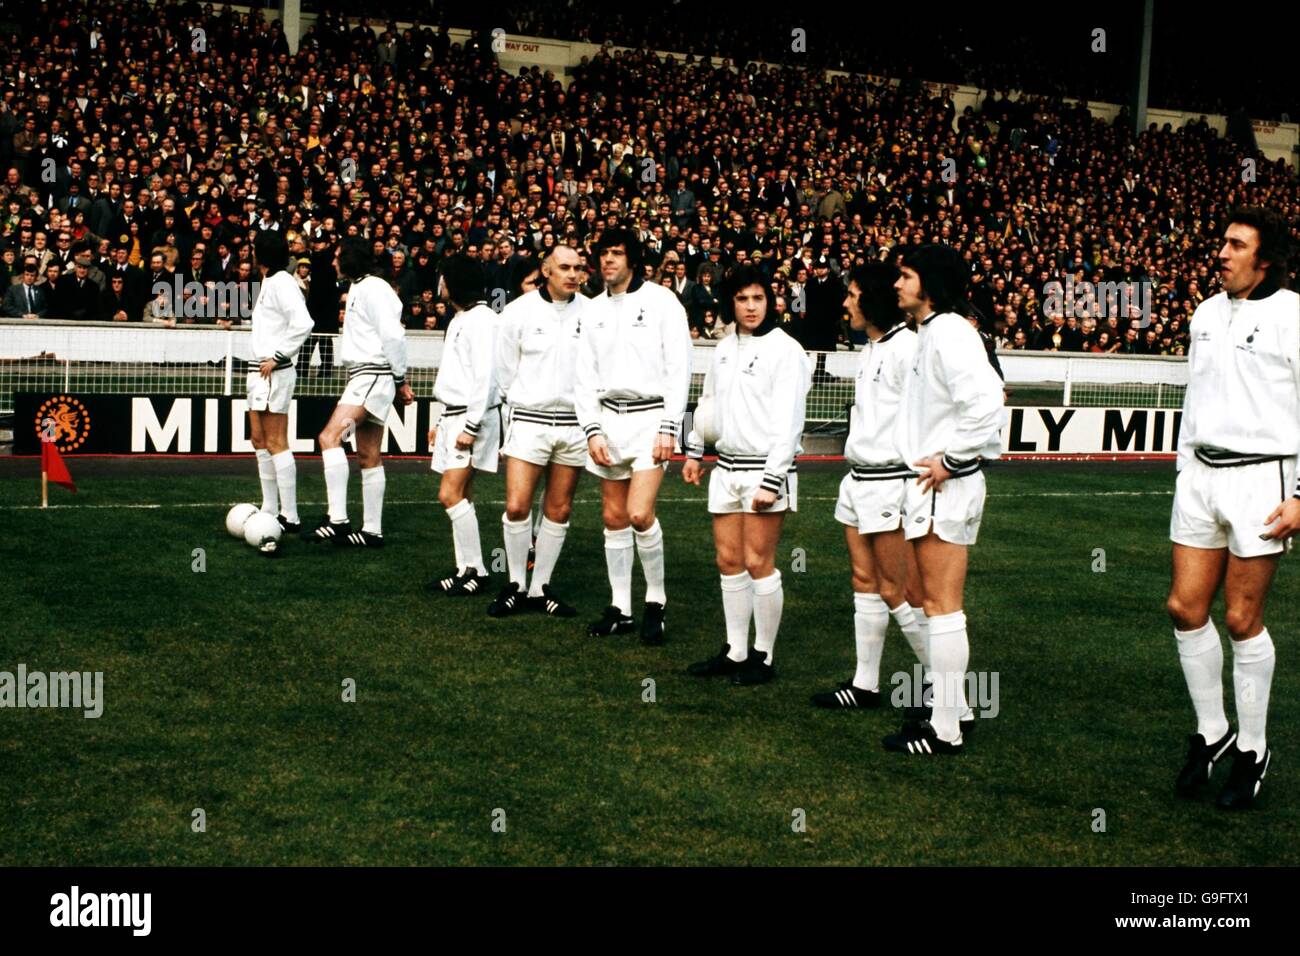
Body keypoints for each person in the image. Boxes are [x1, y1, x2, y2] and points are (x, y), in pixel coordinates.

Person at [1166, 206, 1300, 810]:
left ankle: (1253, 747)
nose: (1221, 252)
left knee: (1242, 619)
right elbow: (1197, 397)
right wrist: (1183, 467)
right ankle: (1211, 732)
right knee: (1184, 607)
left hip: (1261, 480)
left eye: (1236, 245)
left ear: (1264, 257)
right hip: (1200, 475)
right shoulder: (1205, 311)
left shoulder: (1293, 315)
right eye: (1221, 242)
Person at [886, 244, 1005, 755]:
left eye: (906, 276)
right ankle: (954, 711)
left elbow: (986, 404)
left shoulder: (952, 332)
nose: (897, 284)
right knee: (923, 599)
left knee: (941, 607)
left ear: (929, 284)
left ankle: (946, 730)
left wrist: (951, 460)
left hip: (946, 485)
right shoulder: (929, 333)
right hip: (932, 484)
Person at [682, 265, 811, 683]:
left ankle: (764, 656)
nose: (751, 306)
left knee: (759, 562)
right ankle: (736, 651)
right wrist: (694, 452)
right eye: (742, 299)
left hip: (763, 472)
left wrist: (773, 479)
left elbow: (791, 420)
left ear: (770, 300)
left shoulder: (786, 349)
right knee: (729, 560)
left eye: (758, 298)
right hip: (726, 469)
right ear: (730, 303)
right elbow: (707, 403)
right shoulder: (722, 347)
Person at [809, 261, 929, 708]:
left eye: (852, 295)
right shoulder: (872, 347)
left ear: (873, 299)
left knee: (902, 592)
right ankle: (865, 684)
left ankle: (948, 692)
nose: (845, 303)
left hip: (891, 480)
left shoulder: (908, 348)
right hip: (858, 478)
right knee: (864, 580)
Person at [575, 226, 691, 644]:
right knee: (613, 518)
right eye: (604, 253)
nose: (609, 260)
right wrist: (591, 429)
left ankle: (656, 602)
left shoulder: (662, 302)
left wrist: (669, 425)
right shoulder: (591, 310)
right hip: (608, 421)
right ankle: (620, 607)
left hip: (651, 420)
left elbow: (680, 368)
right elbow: (584, 376)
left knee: (640, 514)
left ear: (633, 259)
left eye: (617, 253)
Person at [488, 245, 588, 617]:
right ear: (546, 270)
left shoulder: (592, 313)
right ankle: (514, 583)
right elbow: (503, 372)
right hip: (529, 422)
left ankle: (539, 587)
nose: (573, 274)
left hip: (575, 426)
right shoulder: (516, 312)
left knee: (558, 510)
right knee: (516, 505)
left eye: (578, 268)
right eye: (564, 267)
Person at [303, 237, 412, 547]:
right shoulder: (364, 287)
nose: (334, 262)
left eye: (338, 257)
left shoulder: (372, 288)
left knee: (329, 438)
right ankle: (372, 531)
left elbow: (393, 336)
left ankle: (337, 520)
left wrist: (400, 379)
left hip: (371, 378)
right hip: (371, 378)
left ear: (351, 259)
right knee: (367, 454)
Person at [428, 254, 502, 595]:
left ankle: (477, 569)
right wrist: (440, 419)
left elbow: (485, 377)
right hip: (453, 414)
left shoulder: (484, 319)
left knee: (450, 494)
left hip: (472, 418)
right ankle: (464, 569)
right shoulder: (460, 318)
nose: (439, 284)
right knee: (462, 496)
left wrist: (470, 426)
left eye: (443, 277)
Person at [246, 230, 315, 533]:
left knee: (276, 441)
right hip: (257, 369)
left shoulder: (283, 282)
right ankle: (269, 508)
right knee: (259, 440)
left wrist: (278, 355)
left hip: (273, 370)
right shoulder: (269, 281)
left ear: (259, 253)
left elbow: (304, 323)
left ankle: (291, 515)